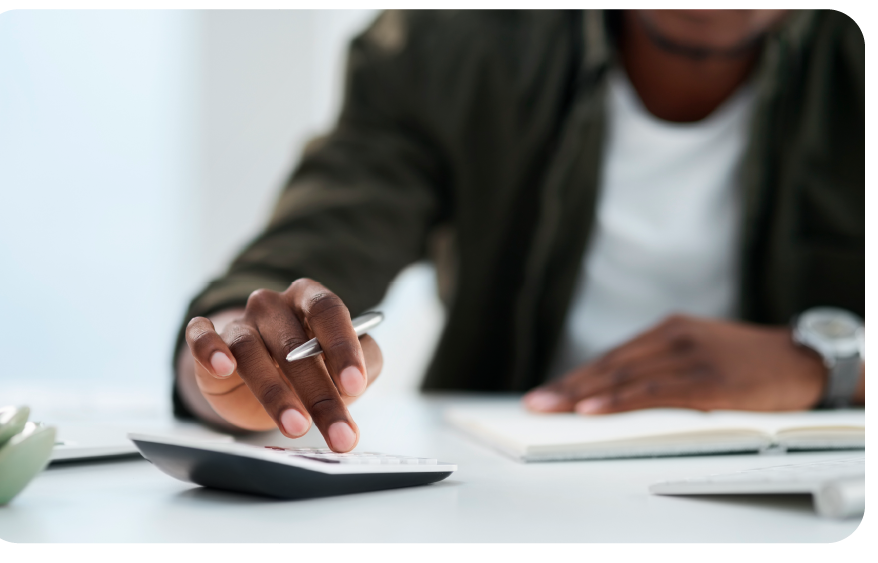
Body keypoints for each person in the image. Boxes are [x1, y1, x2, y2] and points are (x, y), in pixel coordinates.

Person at [175, 9, 874, 452]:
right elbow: (302, 257)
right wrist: (235, 362)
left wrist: (830, 364)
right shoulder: (449, 39)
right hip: (510, 491)